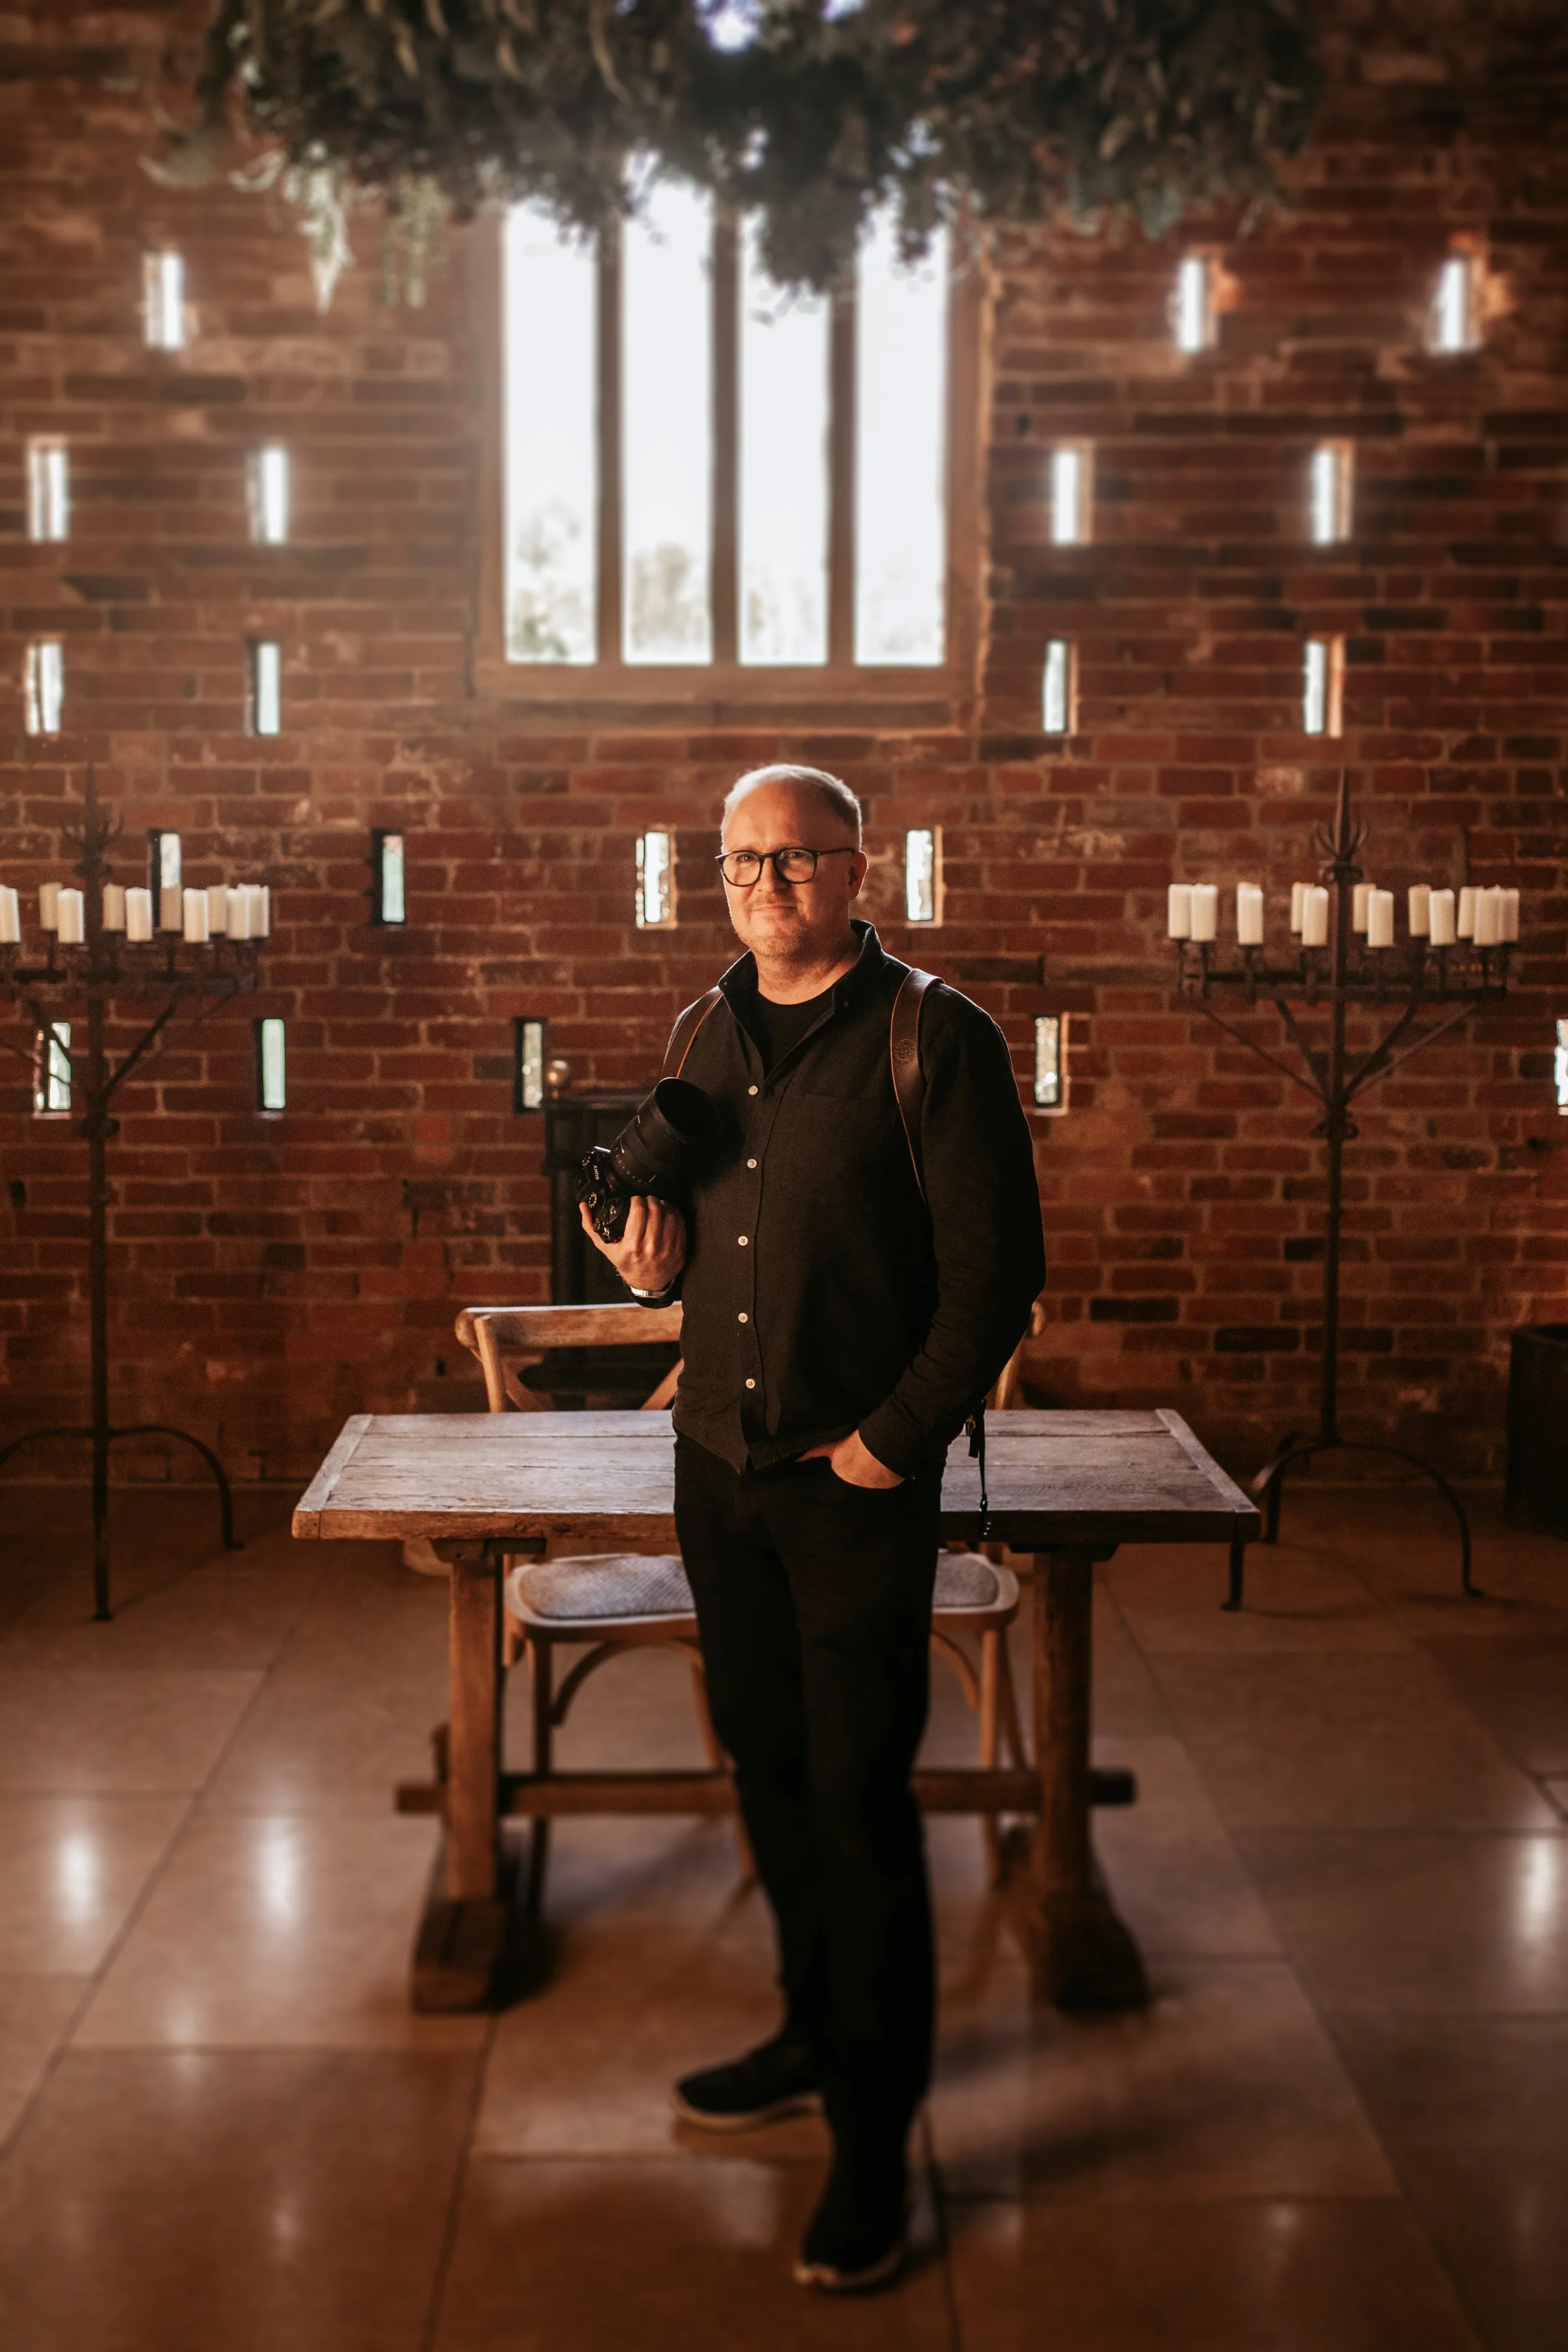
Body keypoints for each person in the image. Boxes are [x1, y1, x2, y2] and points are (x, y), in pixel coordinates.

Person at [581, 763, 1045, 2292]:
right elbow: (692, 1262)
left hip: (850, 1491)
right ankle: (803, 2026)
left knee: (856, 1805)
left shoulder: (937, 1037)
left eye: (796, 859)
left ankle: (872, 2131)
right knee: (769, 1776)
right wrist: (647, 1276)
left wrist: (885, 1451)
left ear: (858, 871)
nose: (766, 886)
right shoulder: (701, 1032)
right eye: (740, 863)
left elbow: (991, 1281)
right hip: (715, 1469)